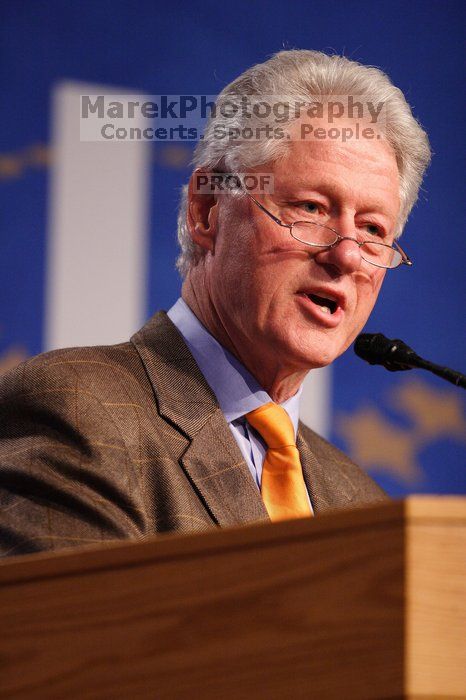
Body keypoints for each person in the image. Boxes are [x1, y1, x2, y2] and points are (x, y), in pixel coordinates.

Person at [0, 50, 430, 557]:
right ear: (207, 211)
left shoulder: (361, 504)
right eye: (311, 208)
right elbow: (71, 634)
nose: (346, 255)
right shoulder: (79, 412)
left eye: (374, 230)